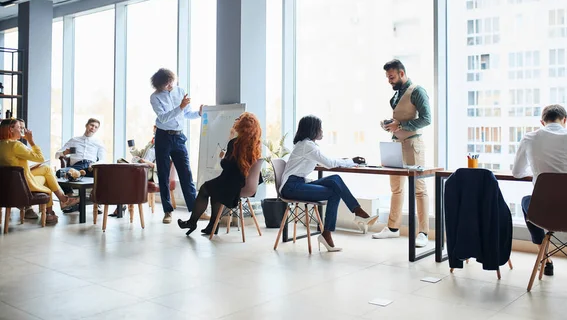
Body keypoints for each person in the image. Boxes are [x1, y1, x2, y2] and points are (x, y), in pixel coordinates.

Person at [512, 104, 567, 281]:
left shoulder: (530, 138)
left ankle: (546, 259)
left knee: (526, 200)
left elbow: (517, 173)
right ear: (565, 120)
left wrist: (538, 171)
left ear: (542, 122)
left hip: (543, 214)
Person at [278, 115, 378, 252]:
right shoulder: (307, 146)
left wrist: (348, 160)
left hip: (297, 183)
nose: (322, 130)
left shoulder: (307, 145)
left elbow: (327, 161)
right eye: (320, 127)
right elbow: (329, 163)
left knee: (334, 179)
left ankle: (356, 213)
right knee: (334, 192)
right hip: (291, 187)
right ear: (313, 129)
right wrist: (352, 161)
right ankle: (330, 231)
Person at [373, 59, 432, 248]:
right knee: (396, 189)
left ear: (401, 73)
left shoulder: (417, 91)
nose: (389, 81)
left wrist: (401, 125)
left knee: (419, 189)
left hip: (413, 145)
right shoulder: (398, 93)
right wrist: (390, 124)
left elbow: (426, 119)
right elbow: (400, 118)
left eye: (391, 77)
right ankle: (392, 228)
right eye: (387, 78)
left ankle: (423, 233)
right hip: (396, 144)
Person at [178, 112, 262, 236]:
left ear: (241, 125)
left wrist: (224, 154)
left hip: (233, 186)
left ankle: (192, 222)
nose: (235, 121)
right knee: (215, 189)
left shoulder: (235, 143)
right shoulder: (256, 145)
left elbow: (226, 166)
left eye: (238, 119)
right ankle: (213, 226)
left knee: (205, 188)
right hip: (247, 186)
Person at [150, 68, 203, 224]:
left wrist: (198, 114)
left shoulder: (180, 91)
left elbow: (186, 114)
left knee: (186, 174)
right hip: (163, 136)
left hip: (179, 136)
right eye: (166, 84)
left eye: (171, 82)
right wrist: (180, 106)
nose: (170, 86)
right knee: (164, 174)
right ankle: (167, 211)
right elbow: (164, 118)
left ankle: (195, 211)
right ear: (159, 85)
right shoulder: (155, 97)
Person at [0, 119, 78, 224]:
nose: (22, 130)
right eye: (19, 128)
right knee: (47, 178)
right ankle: (60, 203)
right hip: (22, 184)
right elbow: (40, 158)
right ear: (11, 129)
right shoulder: (15, 145)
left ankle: (58, 204)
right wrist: (31, 141)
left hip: (8, 183)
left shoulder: (2, 144)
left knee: (46, 169)